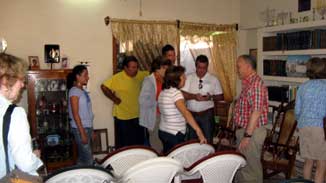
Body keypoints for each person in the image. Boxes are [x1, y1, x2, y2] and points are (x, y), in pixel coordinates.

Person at [0, 53, 43, 179]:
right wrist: (35, 157)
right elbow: (25, 164)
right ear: (6, 80)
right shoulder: (14, 113)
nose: (23, 85)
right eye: (21, 80)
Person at [233, 55, 268, 183]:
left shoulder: (256, 84)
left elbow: (256, 111)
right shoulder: (248, 83)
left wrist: (247, 136)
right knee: (243, 166)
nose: (237, 69)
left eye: (239, 67)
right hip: (246, 131)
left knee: (251, 171)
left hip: (252, 132)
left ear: (248, 67)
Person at [101, 56, 148, 149]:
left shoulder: (141, 75)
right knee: (125, 145)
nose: (135, 70)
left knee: (139, 143)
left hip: (138, 115)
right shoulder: (117, 78)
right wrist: (114, 98)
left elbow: (154, 75)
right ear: (125, 68)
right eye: (133, 67)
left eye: (137, 67)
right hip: (122, 116)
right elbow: (103, 87)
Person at [158, 66, 207, 153]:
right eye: (183, 77)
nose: (186, 78)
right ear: (177, 79)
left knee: (169, 156)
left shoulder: (164, 91)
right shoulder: (176, 93)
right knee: (176, 160)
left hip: (164, 131)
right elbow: (185, 112)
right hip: (174, 133)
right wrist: (198, 131)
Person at [295, 57, 326, 183]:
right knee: (321, 164)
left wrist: (300, 122)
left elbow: (297, 110)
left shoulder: (303, 87)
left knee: (308, 161)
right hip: (320, 128)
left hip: (304, 126)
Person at [182, 55, 224, 143]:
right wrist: (194, 96)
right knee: (191, 141)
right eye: (199, 67)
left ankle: (208, 156)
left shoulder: (213, 79)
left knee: (208, 140)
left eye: (204, 68)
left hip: (207, 115)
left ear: (207, 67)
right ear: (195, 66)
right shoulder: (189, 78)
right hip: (191, 115)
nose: (201, 70)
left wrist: (210, 97)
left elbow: (220, 96)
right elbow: (182, 94)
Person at [139, 56, 172, 152]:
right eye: (165, 68)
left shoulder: (165, 80)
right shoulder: (149, 81)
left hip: (165, 116)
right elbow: (143, 101)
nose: (167, 71)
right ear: (157, 68)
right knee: (157, 145)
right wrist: (160, 102)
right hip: (155, 116)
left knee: (166, 144)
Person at [67, 65, 94, 166]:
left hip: (87, 127)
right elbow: (75, 114)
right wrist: (82, 133)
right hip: (80, 129)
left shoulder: (82, 91)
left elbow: (88, 112)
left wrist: (92, 129)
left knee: (83, 157)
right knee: (88, 159)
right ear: (77, 76)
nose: (88, 77)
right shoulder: (74, 91)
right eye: (85, 74)